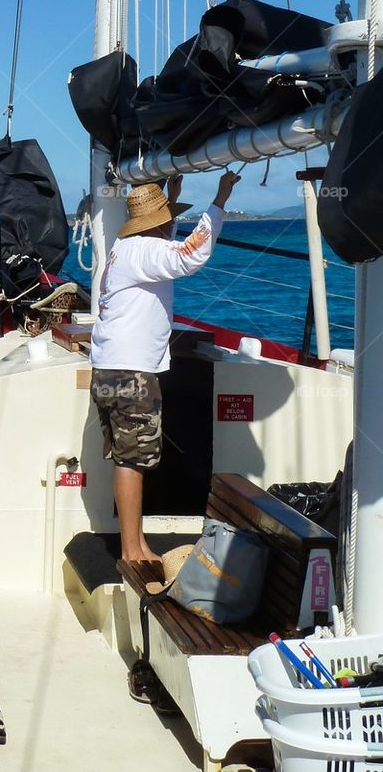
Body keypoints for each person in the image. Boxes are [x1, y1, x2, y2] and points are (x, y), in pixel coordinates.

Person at [89, 169, 241, 564]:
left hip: (109, 368)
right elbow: (191, 254)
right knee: (133, 460)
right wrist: (219, 201)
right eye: (169, 217)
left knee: (128, 458)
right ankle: (131, 551)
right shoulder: (144, 252)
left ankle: (136, 544)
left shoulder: (125, 249)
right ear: (159, 223)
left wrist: (172, 196)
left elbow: (166, 248)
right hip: (131, 373)